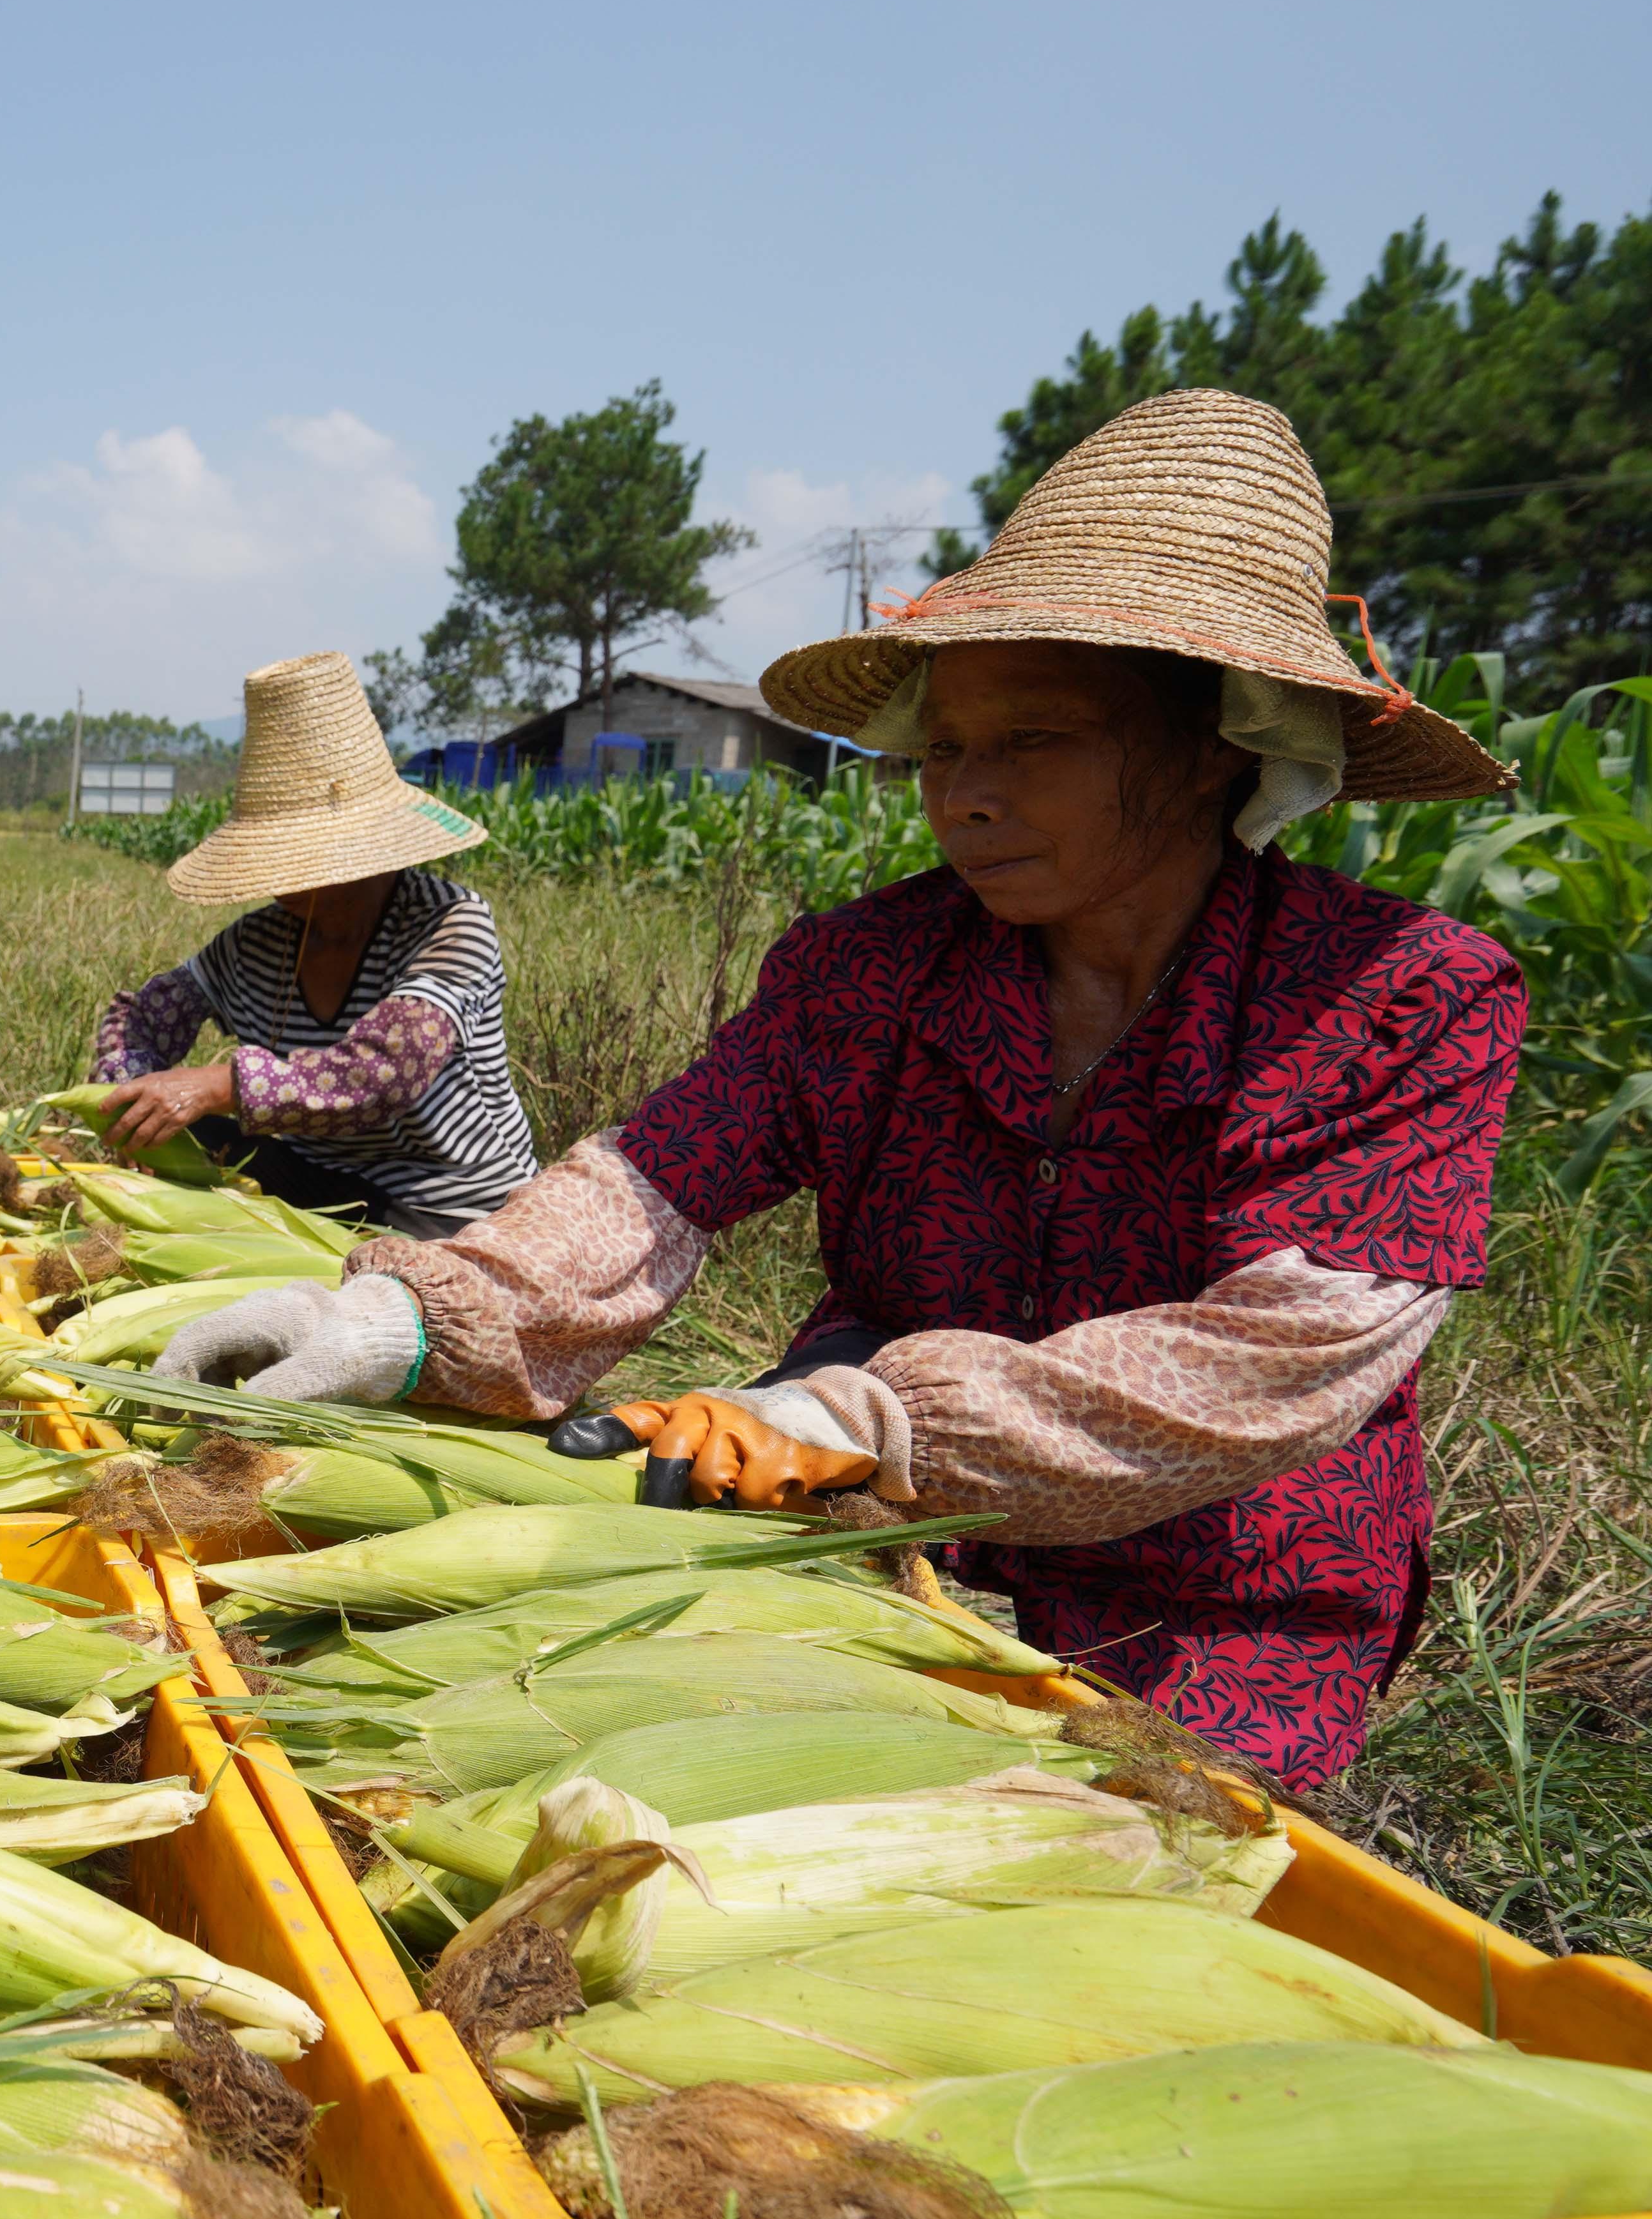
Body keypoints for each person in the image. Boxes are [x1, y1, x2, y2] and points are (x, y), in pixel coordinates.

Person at [158, 390, 1522, 1788]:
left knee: (1109, 1861)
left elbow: (1287, 1359)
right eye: (944, 746)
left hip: (1216, 1586)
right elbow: (660, 1175)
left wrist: (868, 1420)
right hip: (848, 1514)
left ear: (1220, 743)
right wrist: (406, 1315)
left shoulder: (1399, 996)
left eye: (1035, 740)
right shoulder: (868, 969)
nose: (967, 794)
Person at [89, 652, 539, 1235]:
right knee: (181, 1134)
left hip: (445, 1206)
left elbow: (385, 1073)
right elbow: (144, 1015)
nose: (283, 881)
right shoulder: (256, 944)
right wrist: (132, 1100)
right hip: (312, 1178)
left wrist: (217, 1085)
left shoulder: (450, 924)